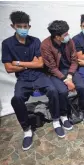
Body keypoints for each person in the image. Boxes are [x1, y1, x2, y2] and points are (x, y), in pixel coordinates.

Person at [1, 11, 66, 150]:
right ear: (13, 26)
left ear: (29, 26)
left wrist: (18, 63)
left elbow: (39, 64)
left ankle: (56, 120)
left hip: (39, 75)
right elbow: (8, 68)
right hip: (23, 79)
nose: (23, 29)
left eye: (25, 26)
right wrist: (29, 63)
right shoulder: (7, 44)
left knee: (53, 90)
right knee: (16, 98)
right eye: (20, 26)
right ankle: (27, 130)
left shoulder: (35, 41)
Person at [41, 20, 84, 125]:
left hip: (69, 70)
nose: (68, 35)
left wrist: (70, 76)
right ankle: (63, 115)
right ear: (57, 37)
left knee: (81, 86)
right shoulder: (45, 45)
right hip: (55, 73)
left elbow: (74, 60)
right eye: (65, 34)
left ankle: (83, 110)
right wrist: (66, 80)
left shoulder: (69, 41)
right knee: (62, 91)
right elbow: (52, 67)